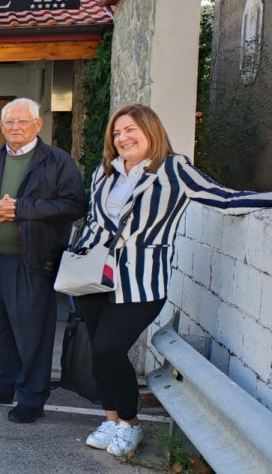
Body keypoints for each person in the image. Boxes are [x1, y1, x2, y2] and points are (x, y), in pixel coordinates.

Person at [72, 104, 272, 456]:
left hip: (142, 280)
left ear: (151, 131)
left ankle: (131, 425)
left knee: (110, 348)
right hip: (93, 279)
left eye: (130, 129)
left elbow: (223, 199)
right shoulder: (104, 172)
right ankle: (111, 419)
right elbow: (94, 221)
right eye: (117, 133)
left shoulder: (174, 169)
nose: (122, 138)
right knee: (98, 353)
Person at [0, 97, 88, 423]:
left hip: (32, 262)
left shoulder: (57, 161)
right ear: (1, 126)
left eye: (22, 121)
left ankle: (32, 395)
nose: (15, 128)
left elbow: (74, 206)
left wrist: (21, 209)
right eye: (9, 123)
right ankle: (1, 384)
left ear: (37, 124)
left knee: (32, 334)